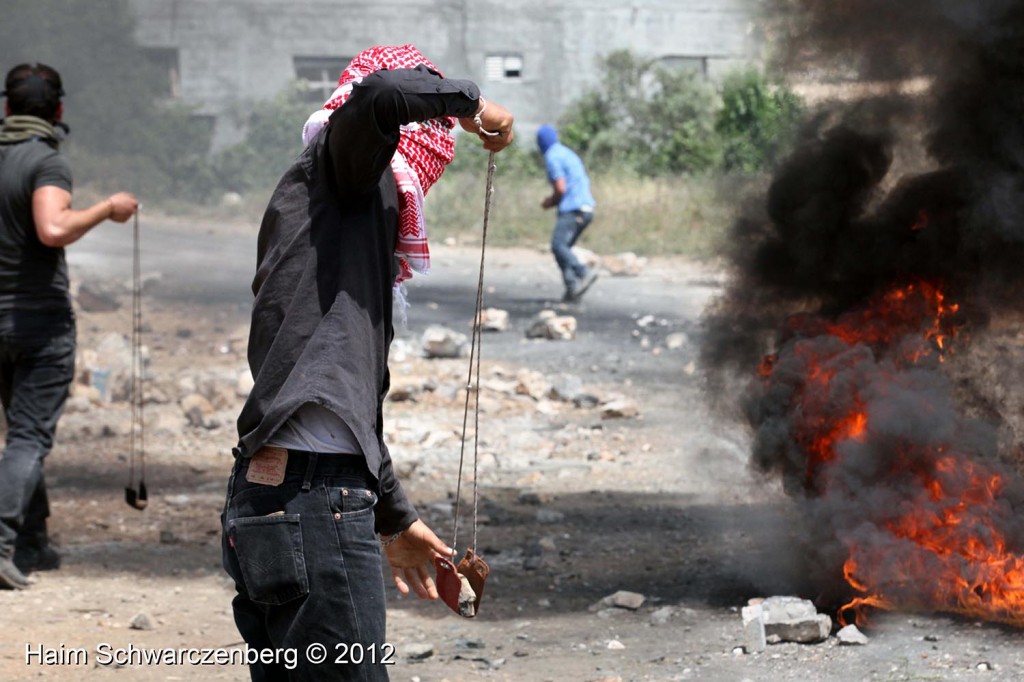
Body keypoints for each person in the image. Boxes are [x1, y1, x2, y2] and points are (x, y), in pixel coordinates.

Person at [220, 45, 513, 681]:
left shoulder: (334, 222)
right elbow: (382, 95)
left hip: (282, 495)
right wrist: (471, 102)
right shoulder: (347, 174)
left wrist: (394, 516)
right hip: (312, 504)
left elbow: (331, 402)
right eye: (430, 126)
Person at [0, 63, 138, 589]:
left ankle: (33, 541)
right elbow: (53, 228)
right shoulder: (46, 162)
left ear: (8, 108)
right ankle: (4, 541)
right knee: (29, 437)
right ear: (58, 111)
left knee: (17, 431)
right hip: (38, 324)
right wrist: (107, 208)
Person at [537, 124, 598, 302]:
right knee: (562, 249)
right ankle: (572, 290)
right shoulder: (567, 152)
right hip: (586, 208)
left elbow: (561, 188)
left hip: (574, 209)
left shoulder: (552, 157)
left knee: (558, 246)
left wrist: (550, 202)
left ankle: (583, 272)